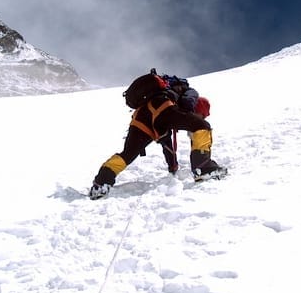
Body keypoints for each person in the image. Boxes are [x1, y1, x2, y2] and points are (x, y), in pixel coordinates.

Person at [89, 71, 226, 199]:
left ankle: (100, 184)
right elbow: (187, 102)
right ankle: (204, 168)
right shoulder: (191, 94)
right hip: (161, 107)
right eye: (201, 115)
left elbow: (167, 144)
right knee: (203, 126)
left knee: (127, 154)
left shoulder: (165, 106)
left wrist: (173, 167)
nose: (200, 117)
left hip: (140, 119)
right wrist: (191, 119)